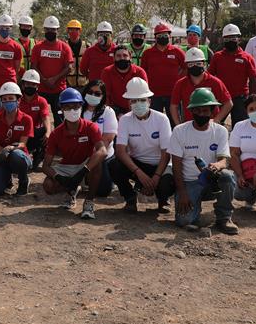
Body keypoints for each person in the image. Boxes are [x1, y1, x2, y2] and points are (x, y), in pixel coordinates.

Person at [168, 88, 239, 234]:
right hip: (189, 182)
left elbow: (225, 160)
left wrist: (218, 165)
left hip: (212, 180)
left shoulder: (220, 131)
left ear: (212, 111)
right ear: (191, 111)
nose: (201, 114)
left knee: (227, 176)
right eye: (197, 111)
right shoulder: (180, 131)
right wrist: (182, 192)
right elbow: (176, 165)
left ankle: (224, 217)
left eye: (205, 111)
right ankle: (194, 208)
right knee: (184, 221)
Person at [110, 77, 175, 214]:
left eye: (142, 100)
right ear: (129, 104)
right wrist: (139, 174)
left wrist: (156, 177)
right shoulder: (125, 120)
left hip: (160, 164)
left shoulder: (161, 119)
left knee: (168, 181)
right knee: (114, 165)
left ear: (149, 101)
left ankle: (163, 199)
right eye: (134, 100)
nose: (138, 103)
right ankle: (130, 198)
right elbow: (120, 151)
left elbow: (166, 152)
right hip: (138, 164)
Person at [41, 88, 107, 219]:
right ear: (61, 109)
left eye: (76, 106)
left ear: (81, 107)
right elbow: (45, 166)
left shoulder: (90, 127)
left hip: (85, 165)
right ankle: (70, 191)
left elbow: (102, 150)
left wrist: (84, 171)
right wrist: (60, 178)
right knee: (48, 185)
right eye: (68, 107)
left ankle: (89, 202)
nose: (72, 110)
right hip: (66, 167)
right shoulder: (56, 134)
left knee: (98, 163)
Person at [0, 82, 34, 196]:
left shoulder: (26, 119)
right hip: (1, 157)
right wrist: (2, 150)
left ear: (18, 100)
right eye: (4, 99)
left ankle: (23, 181)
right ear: (1, 101)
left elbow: (23, 143)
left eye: (11, 98)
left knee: (16, 155)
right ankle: (7, 179)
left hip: (20, 156)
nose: (8, 101)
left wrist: (10, 149)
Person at [208, 24, 256, 125]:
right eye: (227, 38)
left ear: (239, 39)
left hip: (240, 99)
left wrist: (252, 99)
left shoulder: (247, 58)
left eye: (233, 38)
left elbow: (253, 80)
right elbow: (209, 77)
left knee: (240, 127)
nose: (230, 41)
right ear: (223, 40)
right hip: (221, 99)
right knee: (215, 125)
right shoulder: (217, 57)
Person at [170, 47, 233, 125]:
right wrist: (178, 125)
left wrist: (216, 120)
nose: (195, 66)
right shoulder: (180, 84)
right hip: (190, 126)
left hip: (210, 126)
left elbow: (228, 103)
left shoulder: (215, 82)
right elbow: (173, 106)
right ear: (186, 66)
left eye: (198, 63)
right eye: (191, 64)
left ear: (204, 64)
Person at [31, 16, 74, 127]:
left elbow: (69, 67)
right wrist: (45, 80)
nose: (50, 32)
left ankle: (59, 141)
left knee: (59, 118)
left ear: (57, 30)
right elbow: (34, 66)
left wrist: (54, 79)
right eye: (48, 29)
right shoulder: (37, 47)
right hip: (41, 89)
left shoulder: (64, 47)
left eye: (53, 29)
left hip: (59, 90)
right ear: (44, 30)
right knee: (39, 118)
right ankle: (40, 141)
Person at [140, 22, 186, 124]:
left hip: (173, 94)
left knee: (175, 121)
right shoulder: (147, 53)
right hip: (153, 94)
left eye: (165, 35)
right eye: (160, 35)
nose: (163, 37)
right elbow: (143, 72)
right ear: (155, 37)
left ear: (169, 36)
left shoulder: (177, 51)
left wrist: (179, 79)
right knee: (154, 122)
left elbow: (186, 67)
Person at [79, 80, 116, 199]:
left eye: (97, 93)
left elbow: (108, 139)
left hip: (102, 156)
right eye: (90, 92)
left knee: (103, 191)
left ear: (103, 96)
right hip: (81, 154)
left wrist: (93, 156)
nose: (93, 95)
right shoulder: (77, 110)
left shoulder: (108, 112)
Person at [100, 45, 149, 116]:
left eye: (125, 55)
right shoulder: (107, 72)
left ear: (130, 58)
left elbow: (144, 95)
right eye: (118, 56)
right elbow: (105, 95)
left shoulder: (140, 72)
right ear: (114, 58)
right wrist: (111, 113)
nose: (122, 58)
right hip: (114, 109)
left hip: (135, 107)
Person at [65, 20, 88, 90]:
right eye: (71, 29)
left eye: (76, 29)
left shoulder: (87, 46)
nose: (73, 31)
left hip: (84, 85)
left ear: (80, 31)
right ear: (67, 31)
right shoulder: (64, 46)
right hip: (68, 85)